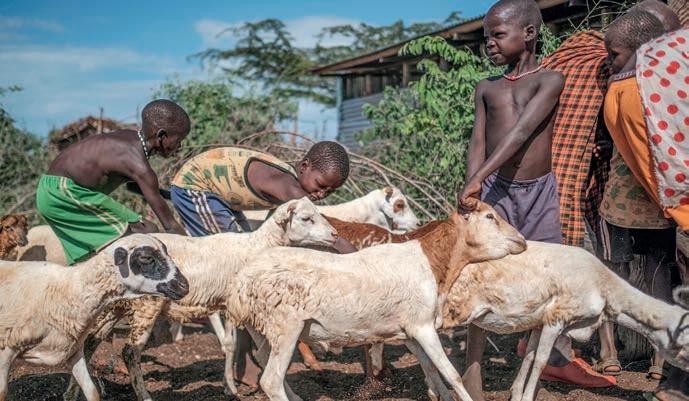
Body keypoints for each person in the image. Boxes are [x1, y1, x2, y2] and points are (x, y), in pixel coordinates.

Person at [456, 0, 616, 398]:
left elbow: (521, 133)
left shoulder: (550, 80)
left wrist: (477, 177)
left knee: (548, 277)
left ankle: (549, 362)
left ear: (529, 33)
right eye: (486, 36)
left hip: (540, 193)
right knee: (482, 275)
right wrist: (473, 187)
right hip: (496, 193)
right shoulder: (486, 87)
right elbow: (478, 141)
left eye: (497, 35)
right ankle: (471, 373)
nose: (489, 43)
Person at [169, 142, 357, 389]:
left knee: (251, 270)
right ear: (305, 166)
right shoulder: (290, 190)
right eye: (321, 185)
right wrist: (360, 261)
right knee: (240, 274)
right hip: (196, 188)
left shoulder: (291, 185)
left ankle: (245, 356)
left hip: (222, 198)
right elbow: (329, 233)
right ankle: (243, 360)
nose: (322, 194)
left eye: (330, 191)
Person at [36, 99, 189, 265]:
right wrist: (195, 249)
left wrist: (173, 196)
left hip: (60, 190)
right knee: (145, 231)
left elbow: (135, 187)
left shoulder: (131, 141)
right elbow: (170, 225)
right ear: (161, 136)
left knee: (143, 231)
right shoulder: (137, 163)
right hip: (62, 193)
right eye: (178, 140)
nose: (180, 146)